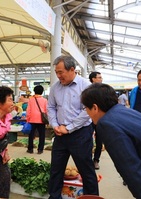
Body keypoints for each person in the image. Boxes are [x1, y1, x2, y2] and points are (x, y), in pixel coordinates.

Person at [47, 55, 99, 198]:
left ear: (72, 70)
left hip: (80, 134)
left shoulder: (85, 86)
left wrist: (69, 128)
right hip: (60, 134)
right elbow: (50, 107)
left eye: (60, 72)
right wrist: (55, 125)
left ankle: (91, 197)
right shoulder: (55, 88)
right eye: (56, 72)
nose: (58, 76)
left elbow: (87, 111)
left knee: (85, 168)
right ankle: (54, 196)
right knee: (56, 168)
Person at [26, 85, 48, 154]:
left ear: (34, 91)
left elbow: (28, 110)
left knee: (31, 135)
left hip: (32, 119)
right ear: (42, 92)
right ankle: (40, 149)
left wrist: (28, 118)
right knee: (42, 135)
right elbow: (47, 110)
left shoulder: (31, 99)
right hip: (41, 120)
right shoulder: (45, 100)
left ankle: (30, 149)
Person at [88, 71, 103, 170]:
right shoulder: (87, 90)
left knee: (99, 140)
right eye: (99, 77)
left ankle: (96, 160)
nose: (101, 79)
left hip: (100, 119)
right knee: (87, 139)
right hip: (88, 119)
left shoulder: (103, 90)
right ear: (93, 79)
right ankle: (88, 159)